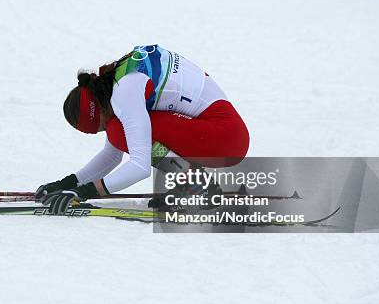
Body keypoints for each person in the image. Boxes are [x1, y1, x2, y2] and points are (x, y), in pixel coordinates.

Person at [36, 44, 249, 213]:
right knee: (120, 132)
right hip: (226, 133)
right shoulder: (115, 81)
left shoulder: (124, 93)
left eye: (100, 128)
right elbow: (112, 155)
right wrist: (67, 183)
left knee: (119, 131)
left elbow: (139, 166)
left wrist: (85, 192)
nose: (105, 131)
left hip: (224, 135)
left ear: (98, 111)